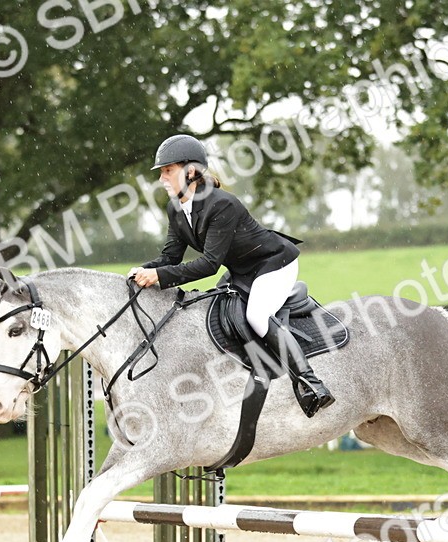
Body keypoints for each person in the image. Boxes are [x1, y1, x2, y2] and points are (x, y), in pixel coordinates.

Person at [129, 134, 335, 417]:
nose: (162, 178)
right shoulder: (175, 208)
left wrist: (160, 276)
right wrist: (143, 272)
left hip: (273, 264)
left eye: (168, 171)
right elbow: (170, 258)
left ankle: (310, 383)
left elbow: (210, 264)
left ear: (191, 172)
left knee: (257, 317)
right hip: (241, 271)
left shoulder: (221, 204)